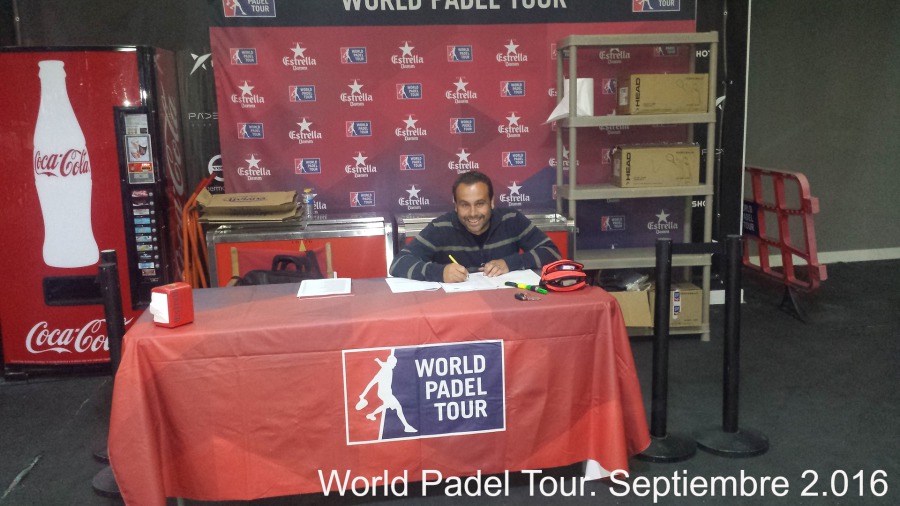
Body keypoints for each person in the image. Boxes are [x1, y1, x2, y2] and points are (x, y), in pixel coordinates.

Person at [390, 171, 562, 283]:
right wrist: (440, 272)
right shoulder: (441, 227)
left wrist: (510, 263)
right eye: (465, 205)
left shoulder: (511, 220)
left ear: (492, 202)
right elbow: (398, 264)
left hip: (506, 307)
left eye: (480, 204)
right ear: (456, 205)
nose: (473, 213)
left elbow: (552, 253)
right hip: (458, 311)